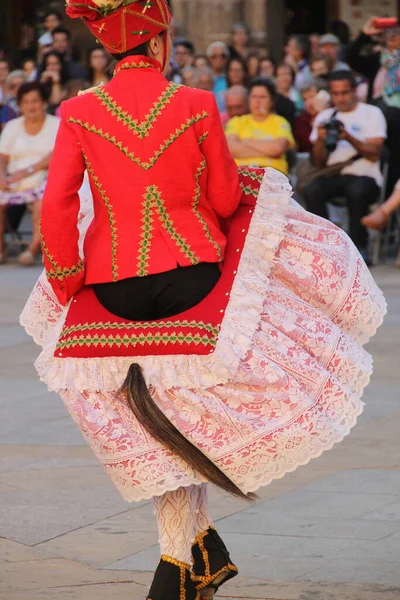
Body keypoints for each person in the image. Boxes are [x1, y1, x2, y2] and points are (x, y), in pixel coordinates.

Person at [23, 2, 387, 599]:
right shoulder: (195, 103)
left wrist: (67, 281)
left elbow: (58, 203)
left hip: (114, 290)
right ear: (160, 43)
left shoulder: (79, 110)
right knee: (182, 416)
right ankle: (190, 557)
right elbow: (221, 195)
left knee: (158, 423)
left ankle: (189, 556)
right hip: (192, 274)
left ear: (109, 52)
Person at [303, 70, 386, 260]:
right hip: (334, 175)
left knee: (356, 190)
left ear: (355, 91)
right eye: (336, 93)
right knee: (311, 189)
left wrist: (348, 136)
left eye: (345, 92)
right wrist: (320, 141)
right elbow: (318, 161)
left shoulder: (371, 113)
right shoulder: (324, 117)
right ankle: (325, 246)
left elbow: (375, 154)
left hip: (365, 175)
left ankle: (359, 247)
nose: (340, 98)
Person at [0, 81, 59, 265]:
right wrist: (1, 176)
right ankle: (0, 248)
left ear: (44, 103)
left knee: (44, 196)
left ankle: (33, 248)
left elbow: (55, 155)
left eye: (35, 101)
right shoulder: (12, 126)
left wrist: (29, 170)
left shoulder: (56, 125)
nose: (31, 106)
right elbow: (2, 157)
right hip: (13, 179)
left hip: (43, 176)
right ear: (20, 105)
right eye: (26, 102)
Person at [346, 17, 400, 197]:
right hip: (378, 118)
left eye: (397, 32)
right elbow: (350, 57)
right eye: (389, 32)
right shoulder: (378, 58)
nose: (393, 36)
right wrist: (364, 35)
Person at [225, 77, 295, 174]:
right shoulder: (236, 122)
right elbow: (231, 148)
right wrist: (267, 151)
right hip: (241, 175)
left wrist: (246, 142)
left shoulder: (280, 122)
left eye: (262, 97)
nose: (257, 101)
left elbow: (277, 149)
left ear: (272, 101)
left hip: (272, 176)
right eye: (254, 96)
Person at [206, 41, 229, 112]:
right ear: (209, 58)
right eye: (214, 56)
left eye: (222, 56)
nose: (219, 59)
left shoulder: (231, 78)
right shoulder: (204, 78)